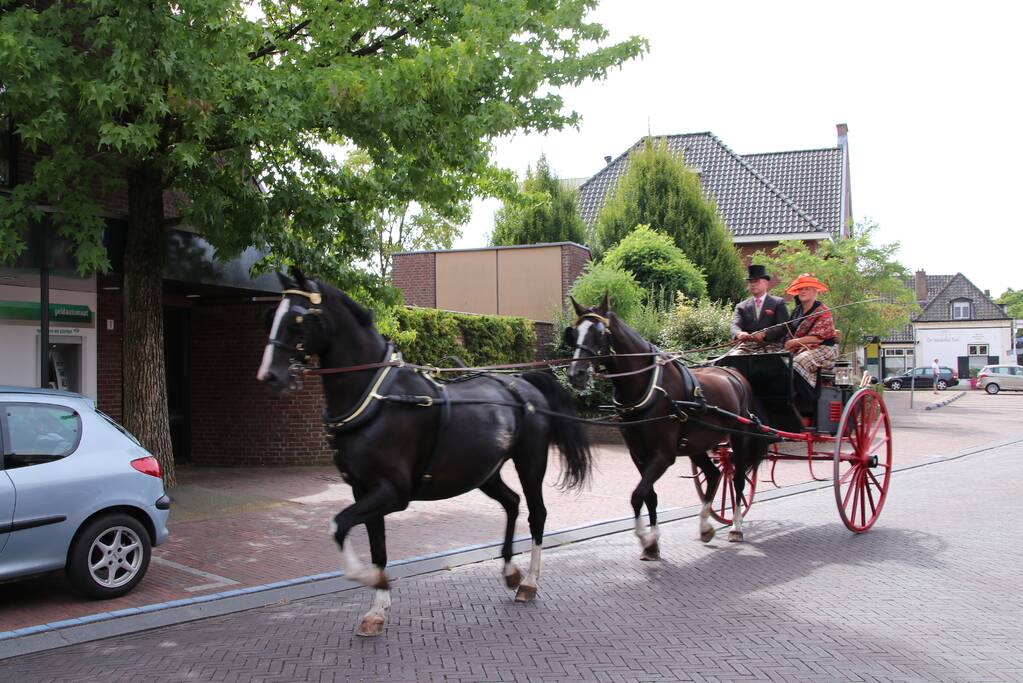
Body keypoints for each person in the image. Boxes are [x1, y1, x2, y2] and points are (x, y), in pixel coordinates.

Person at [783, 273, 838, 404]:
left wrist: (794, 342)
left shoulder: (823, 311)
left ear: (815, 291)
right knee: (777, 364)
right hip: (799, 348)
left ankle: (807, 396)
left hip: (824, 349)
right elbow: (788, 330)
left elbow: (817, 339)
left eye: (806, 289)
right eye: (800, 289)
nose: (802, 291)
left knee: (796, 363)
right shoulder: (796, 311)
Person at [727, 264, 789, 355]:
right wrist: (739, 334)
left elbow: (784, 326)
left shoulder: (778, 303)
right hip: (746, 347)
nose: (753, 284)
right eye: (751, 281)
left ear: (766, 283)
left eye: (756, 281)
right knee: (730, 358)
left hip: (772, 346)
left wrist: (765, 334)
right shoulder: (741, 306)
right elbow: (734, 325)